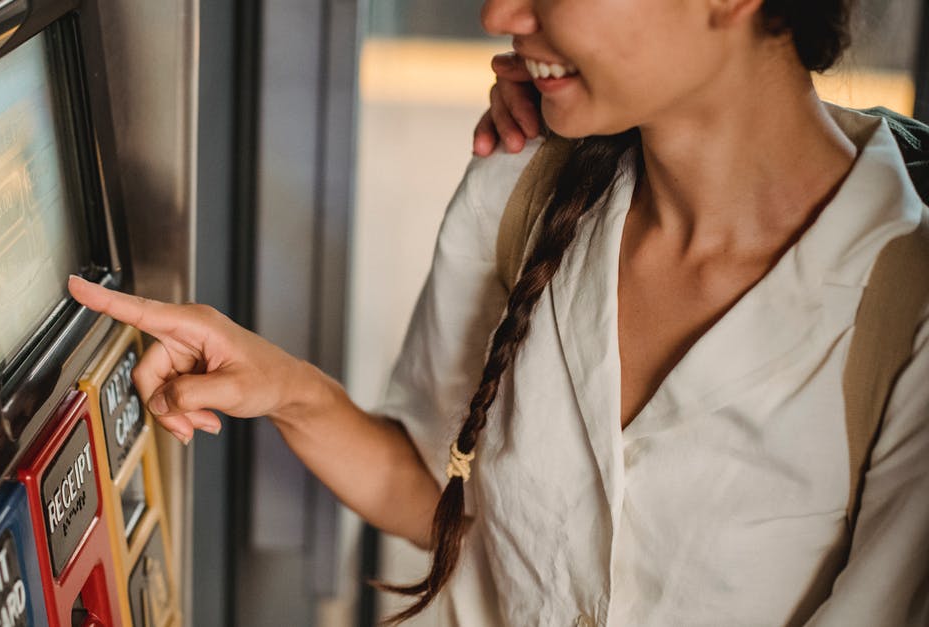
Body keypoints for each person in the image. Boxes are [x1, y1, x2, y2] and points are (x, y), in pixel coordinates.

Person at [69, 0, 929, 623]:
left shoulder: (908, 315)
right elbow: (445, 506)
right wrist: (286, 388)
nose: (497, 14)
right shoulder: (524, 188)